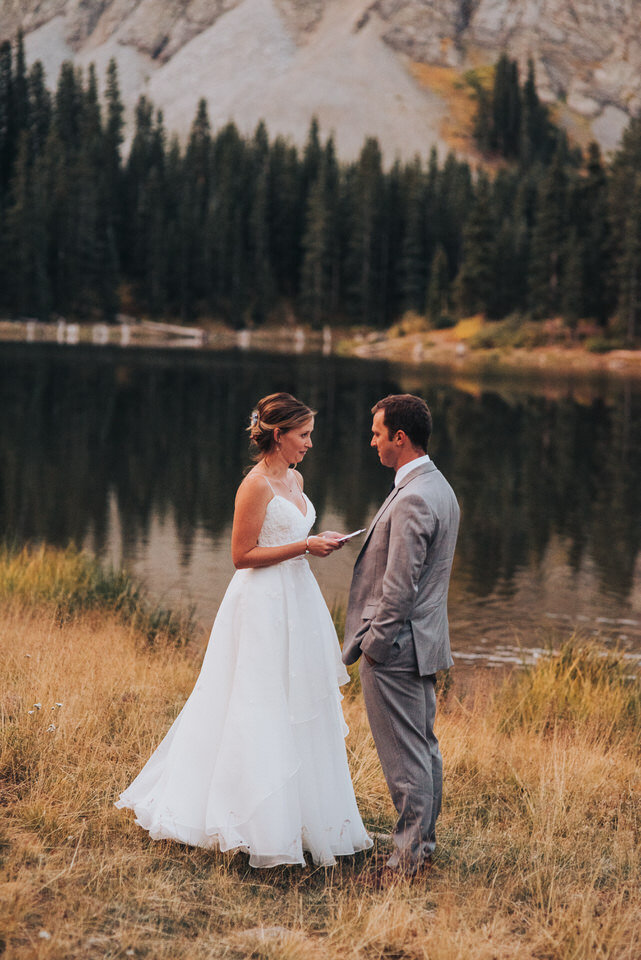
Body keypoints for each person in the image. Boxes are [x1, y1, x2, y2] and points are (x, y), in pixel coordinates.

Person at [116, 392, 372, 868]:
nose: (309, 444)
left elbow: (294, 536)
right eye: (303, 435)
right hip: (261, 605)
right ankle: (246, 820)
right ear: (278, 435)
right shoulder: (254, 486)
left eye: (310, 435)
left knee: (298, 705)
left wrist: (318, 543)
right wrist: (304, 546)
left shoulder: (295, 478)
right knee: (256, 703)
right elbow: (241, 556)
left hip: (298, 599)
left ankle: (301, 817)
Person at [342, 394, 459, 878]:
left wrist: (374, 646)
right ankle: (422, 850)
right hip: (423, 642)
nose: (372, 440)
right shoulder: (438, 486)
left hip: (398, 647)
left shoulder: (413, 497)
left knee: (404, 757)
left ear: (400, 438)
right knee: (422, 747)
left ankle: (406, 861)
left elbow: (400, 588)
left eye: (377, 433)